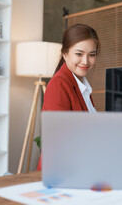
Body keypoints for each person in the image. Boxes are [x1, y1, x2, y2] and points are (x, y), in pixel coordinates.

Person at [36, 24, 101, 170]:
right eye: (79, 54)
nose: (85, 61)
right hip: (62, 169)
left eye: (92, 54)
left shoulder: (82, 86)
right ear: (65, 54)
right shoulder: (59, 84)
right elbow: (62, 139)